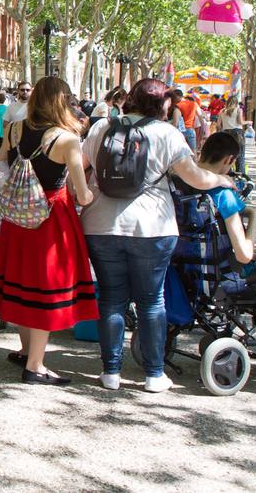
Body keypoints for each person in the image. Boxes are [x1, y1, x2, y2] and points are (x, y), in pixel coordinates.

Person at [81, 78, 237, 392]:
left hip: (100, 223)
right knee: (151, 302)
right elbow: (194, 177)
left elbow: (80, 167)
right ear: (162, 104)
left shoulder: (101, 128)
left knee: (111, 299)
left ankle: (110, 371)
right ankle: (153, 374)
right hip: (152, 228)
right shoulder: (167, 134)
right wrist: (223, 181)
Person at [0, 76, 99, 385]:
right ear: (62, 101)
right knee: (45, 288)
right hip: (50, 218)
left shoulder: (13, 129)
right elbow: (81, 193)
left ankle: (26, 350)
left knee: (22, 281)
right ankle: (36, 365)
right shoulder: (66, 139)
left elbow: (0, 164)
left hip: (16, 217)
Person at [177, 130, 255, 265]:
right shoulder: (224, 194)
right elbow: (244, 256)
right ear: (229, 159)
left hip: (178, 271)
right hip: (214, 277)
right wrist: (253, 216)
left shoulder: (177, 183)